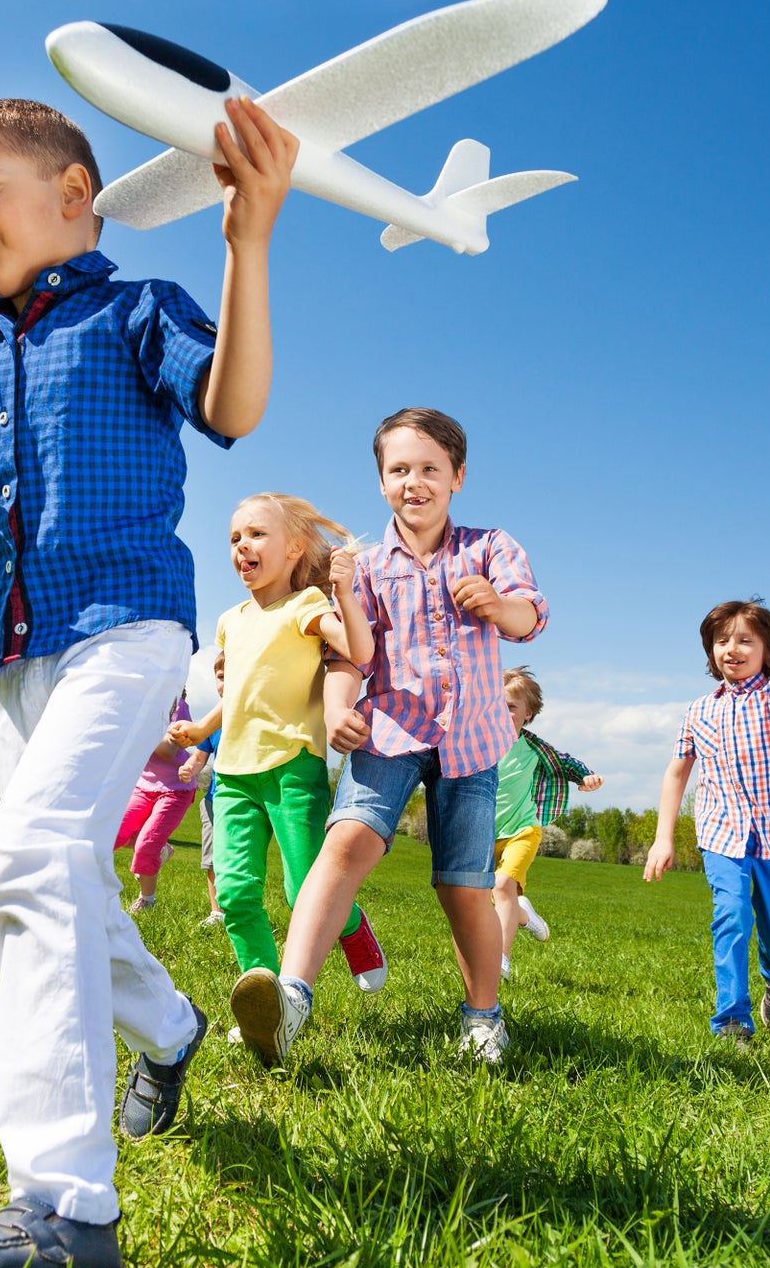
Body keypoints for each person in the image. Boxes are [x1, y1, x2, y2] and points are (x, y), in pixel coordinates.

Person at [0, 94, 298, 1268]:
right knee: (66, 876)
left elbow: (230, 407)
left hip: (127, 626)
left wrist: (248, 239)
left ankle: (66, 1208)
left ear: (73, 194)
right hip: (19, 654)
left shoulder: (134, 310)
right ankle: (171, 1030)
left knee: (32, 856)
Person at [228, 407, 549, 1069]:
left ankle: (483, 1017)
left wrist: (498, 606)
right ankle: (291, 998)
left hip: (471, 742)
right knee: (343, 844)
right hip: (390, 731)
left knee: (463, 886)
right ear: (381, 483)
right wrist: (338, 710)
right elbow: (349, 657)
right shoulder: (369, 567)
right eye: (399, 469)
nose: (414, 481)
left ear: (457, 476)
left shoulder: (490, 548)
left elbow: (530, 616)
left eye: (430, 468)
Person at [167, 494, 388, 994]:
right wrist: (201, 730)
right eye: (234, 538)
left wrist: (345, 594)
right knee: (234, 893)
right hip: (233, 776)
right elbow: (240, 693)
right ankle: (265, 994)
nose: (242, 545)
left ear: (294, 548)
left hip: (293, 768)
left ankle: (353, 927)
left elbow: (360, 650)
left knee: (304, 891)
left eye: (257, 534)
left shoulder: (306, 606)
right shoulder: (231, 621)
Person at [643, 600, 770, 1045]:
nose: (732, 649)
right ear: (711, 651)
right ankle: (732, 1020)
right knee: (732, 916)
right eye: (722, 640)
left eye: (745, 640)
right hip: (721, 833)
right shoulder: (699, 710)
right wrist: (663, 838)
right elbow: (676, 773)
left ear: (768, 650)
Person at [493, 666, 602, 978]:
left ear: (527, 714)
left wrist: (585, 776)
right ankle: (523, 914)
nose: (502, 712)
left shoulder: (533, 749)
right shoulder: (478, 744)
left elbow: (565, 762)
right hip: (485, 834)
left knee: (502, 886)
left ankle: (500, 958)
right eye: (496, 705)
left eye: (511, 706)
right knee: (493, 899)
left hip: (522, 831)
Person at [118, 692, 197, 914]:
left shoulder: (177, 706)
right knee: (112, 832)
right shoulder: (133, 702)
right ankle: (159, 850)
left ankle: (147, 901)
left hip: (176, 787)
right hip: (144, 784)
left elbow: (168, 750)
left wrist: (134, 729)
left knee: (147, 843)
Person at [175, 652, 227, 929]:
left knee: (238, 859)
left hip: (246, 799)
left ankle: (241, 908)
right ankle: (217, 912)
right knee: (212, 857)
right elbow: (200, 756)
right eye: (221, 677)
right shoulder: (211, 722)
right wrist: (189, 768)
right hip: (213, 800)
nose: (225, 683)